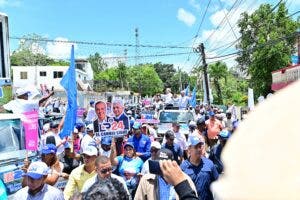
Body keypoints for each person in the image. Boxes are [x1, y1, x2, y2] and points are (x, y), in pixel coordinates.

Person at [181, 135, 219, 200]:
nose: (199, 149)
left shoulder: (209, 164)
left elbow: (217, 183)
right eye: (196, 147)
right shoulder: (183, 168)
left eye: (200, 146)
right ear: (189, 149)